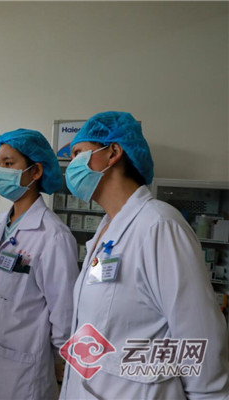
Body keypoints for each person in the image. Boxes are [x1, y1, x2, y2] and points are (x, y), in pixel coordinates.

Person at [59, 111, 229, 399]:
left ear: (113, 152)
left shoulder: (160, 225)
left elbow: (199, 337)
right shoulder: (107, 228)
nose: (71, 166)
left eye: (77, 153)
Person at [0, 129, 79, 400]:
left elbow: (64, 313)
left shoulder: (53, 236)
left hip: (23, 370)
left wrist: (63, 364)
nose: (1, 172)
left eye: (9, 163)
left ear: (35, 171)